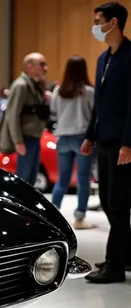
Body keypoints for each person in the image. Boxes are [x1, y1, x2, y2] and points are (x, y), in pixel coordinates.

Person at [82, 2, 131, 283]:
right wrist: (90, 135)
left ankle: (115, 266)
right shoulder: (103, 58)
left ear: (113, 22)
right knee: (104, 198)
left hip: (122, 143)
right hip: (104, 140)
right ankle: (126, 253)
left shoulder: (130, 56)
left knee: (118, 203)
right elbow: (98, 104)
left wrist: (128, 143)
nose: (96, 26)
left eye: (98, 20)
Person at [49, 56, 96, 230]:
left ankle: (53, 216)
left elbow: (53, 111)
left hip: (62, 138)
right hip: (82, 138)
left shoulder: (58, 90)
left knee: (62, 180)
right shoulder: (88, 91)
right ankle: (79, 217)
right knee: (83, 179)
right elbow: (94, 114)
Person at [0, 52, 50, 186]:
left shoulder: (35, 85)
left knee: (31, 178)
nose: (46, 68)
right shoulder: (21, 85)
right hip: (25, 138)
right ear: (30, 66)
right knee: (23, 179)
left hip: (34, 137)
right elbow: (13, 115)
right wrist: (18, 141)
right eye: (42, 64)